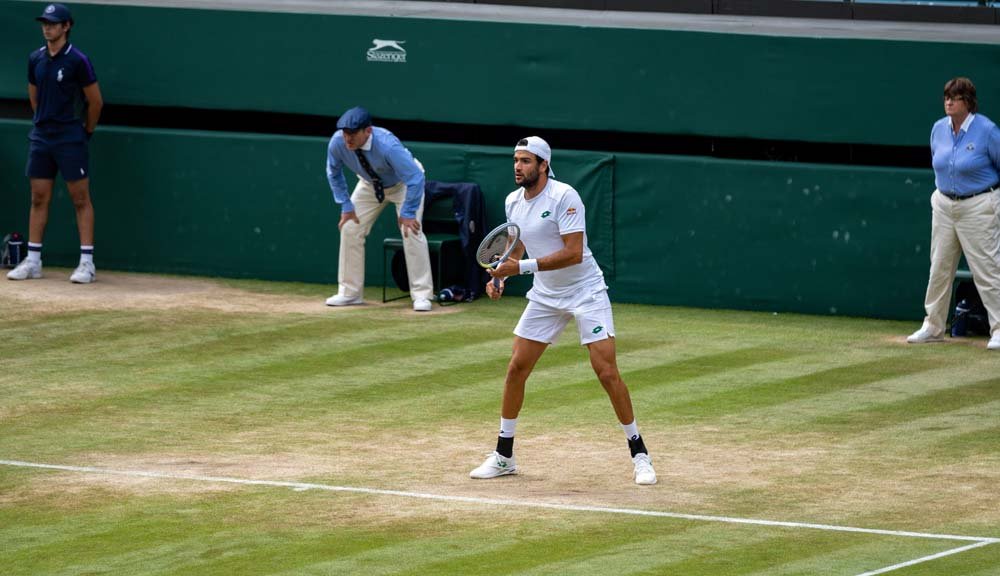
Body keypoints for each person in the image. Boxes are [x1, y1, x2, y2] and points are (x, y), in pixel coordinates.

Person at [469, 136, 657, 485]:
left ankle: (639, 453)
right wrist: (501, 277)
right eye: (515, 160)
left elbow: (573, 252)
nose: (517, 166)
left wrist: (520, 269)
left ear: (543, 165)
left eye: (526, 161)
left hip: (586, 292)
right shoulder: (513, 202)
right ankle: (504, 455)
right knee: (516, 369)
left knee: (606, 371)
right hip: (546, 295)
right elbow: (517, 244)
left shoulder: (564, 197)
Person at [7, 3, 103, 284]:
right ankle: (33, 261)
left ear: (66, 26)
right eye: (44, 23)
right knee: (38, 198)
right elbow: (34, 95)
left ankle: (87, 263)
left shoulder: (78, 60)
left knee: (80, 199)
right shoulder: (35, 58)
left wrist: (85, 132)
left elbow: (95, 102)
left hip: (70, 137)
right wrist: (42, 121)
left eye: (53, 23)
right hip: (41, 138)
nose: (47, 27)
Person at [907, 77, 1000, 351]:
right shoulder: (938, 129)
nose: (948, 101)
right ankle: (933, 326)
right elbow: (938, 161)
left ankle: (999, 328)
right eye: (946, 96)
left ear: (968, 102)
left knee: (987, 269)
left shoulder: (987, 130)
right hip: (944, 205)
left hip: (979, 205)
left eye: (955, 97)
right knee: (939, 267)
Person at [324, 106, 434, 312]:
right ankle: (350, 293)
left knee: (410, 231)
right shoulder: (337, 142)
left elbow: (415, 178)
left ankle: (422, 295)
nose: (347, 138)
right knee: (349, 227)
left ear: (368, 131)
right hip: (369, 185)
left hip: (404, 185)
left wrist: (408, 212)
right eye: (345, 133)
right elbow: (334, 173)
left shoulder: (387, 145)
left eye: (353, 134)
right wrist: (346, 205)